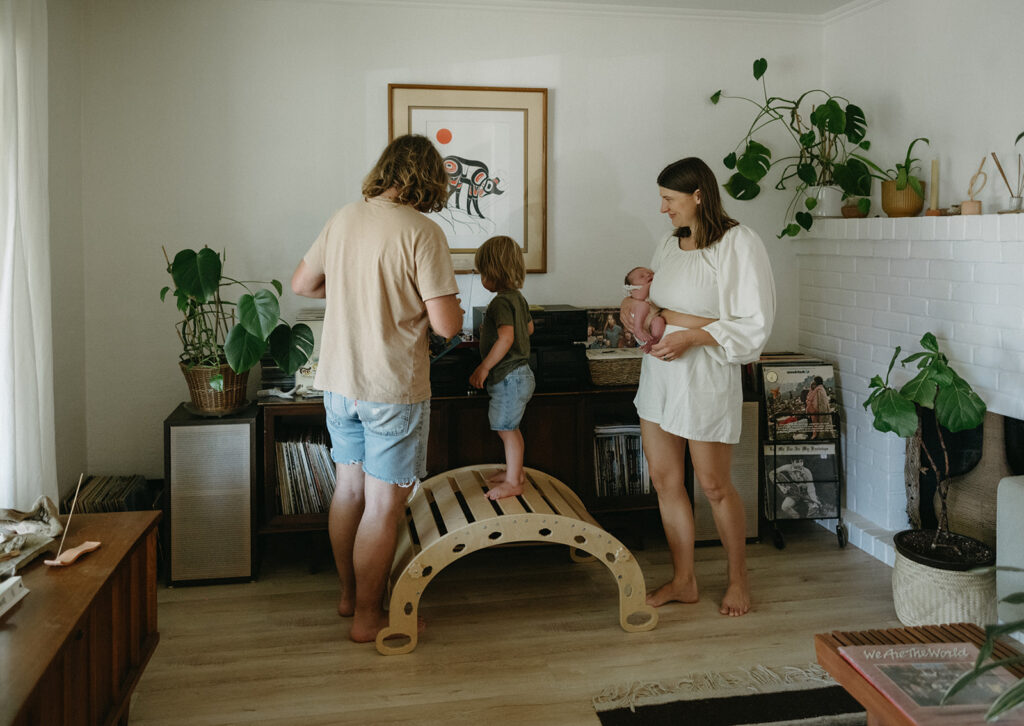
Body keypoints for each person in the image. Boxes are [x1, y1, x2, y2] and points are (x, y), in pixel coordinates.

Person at [291, 134, 464, 643]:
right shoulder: (423, 231)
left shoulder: (344, 217)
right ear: (429, 178)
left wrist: (351, 290)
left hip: (339, 383)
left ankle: (349, 597)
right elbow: (448, 326)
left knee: (348, 490)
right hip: (390, 386)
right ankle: (371, 616)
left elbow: (303, 284)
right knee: (384, 504)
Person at [625, 156, 776, 617]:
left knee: (713, 485)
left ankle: (738, 581)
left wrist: (689, 332)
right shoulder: (669, 245)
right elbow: (656, 304)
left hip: (706, 374)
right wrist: (642, 316)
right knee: (665, 481)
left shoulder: (738, 243)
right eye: (661, 199)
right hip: (661, 375)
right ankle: (685, 580)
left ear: (698, 195)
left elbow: (754, 324)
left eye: (669, 199)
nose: (663, 209)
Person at [469, 235, 536, 500]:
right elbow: (528, 329)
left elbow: (507, 337)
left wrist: (484, 367)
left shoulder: (499, 303)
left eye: (483, 273)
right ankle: (514, 472)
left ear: (494, 272)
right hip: (519, 375)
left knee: (507, 429)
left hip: (509, 377)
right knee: (508, 427)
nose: (482, 278)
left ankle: (514, 481)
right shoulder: (517, 298)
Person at [620, 265, 715, 352]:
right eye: (642, 276)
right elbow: (641, 295)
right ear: (632, 288)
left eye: (649, 273)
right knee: (643, 305)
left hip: (651, 321)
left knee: (659, 321)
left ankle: (653, 340)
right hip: (639, 319)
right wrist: (650, 284)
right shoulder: (636, 293)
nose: (648, 275)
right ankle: (638, 328)